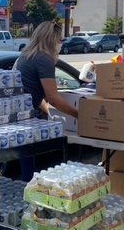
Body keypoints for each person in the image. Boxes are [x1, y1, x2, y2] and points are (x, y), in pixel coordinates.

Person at [15, 21, 79, 182]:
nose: (60, 43)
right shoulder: (44, 59)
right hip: (23, 117)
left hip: (16, 114)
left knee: (19, 153)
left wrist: (48, 110)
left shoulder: (26, 55)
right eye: (59, 39)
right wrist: (79, 115)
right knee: (26, 154)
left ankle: (25, 188)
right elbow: (53, 98)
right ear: (52, 39)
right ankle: (28, 192)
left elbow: (36, 93)